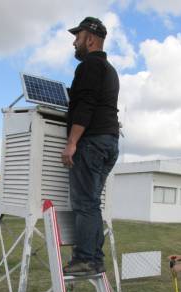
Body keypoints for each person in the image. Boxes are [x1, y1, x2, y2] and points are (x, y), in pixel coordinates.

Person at [61, 17, 119, 276]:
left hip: (92, 142)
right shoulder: (109, 69)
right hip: (109, 142)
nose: (75, 41)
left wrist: (72, 142)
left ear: (91, 39)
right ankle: (94, 257)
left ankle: (86, 258)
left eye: (78, 36)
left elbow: (85, 106)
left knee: (84, 203)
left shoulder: (90, 66)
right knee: (92, 202)